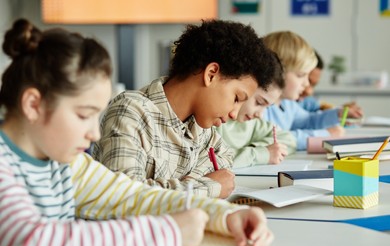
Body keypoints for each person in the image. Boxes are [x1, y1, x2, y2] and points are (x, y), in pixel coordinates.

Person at [0, 18, 273, 246]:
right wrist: (170, 231)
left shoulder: (65, 164)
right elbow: (33, 245)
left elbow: (135, 196)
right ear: (34, 105)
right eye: (84, 115)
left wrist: (224, 216)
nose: (94, 133)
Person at [92, 19, 279, 198]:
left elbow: (224, 156)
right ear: (211, 74)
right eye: (236, 98)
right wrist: (207, 186)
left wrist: (187, 183)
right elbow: (123, 196)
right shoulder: (130, 112)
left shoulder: (199, 127)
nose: (234, 113)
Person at [260, 31, 353, 151]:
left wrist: (336, 114)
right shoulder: (261, 106)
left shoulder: (287, 104)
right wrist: (325, 135)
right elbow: (276, 139)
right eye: (300, 75)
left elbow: (308, 120)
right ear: (277, 71)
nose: (306, 83)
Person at [216, 52, 297, 168]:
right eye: (259, 103)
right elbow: (211, 161)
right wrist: (260, 153)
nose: (260, 114)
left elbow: (289, 140)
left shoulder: (251, 123)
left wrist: (257, 149)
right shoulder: (214, 119)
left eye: (267, 107)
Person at [298, 50, 364, 118]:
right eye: (307, 80)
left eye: (313, 85)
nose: (309, 91)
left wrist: (341, 111)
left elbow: (318, 109)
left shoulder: (306, 100)